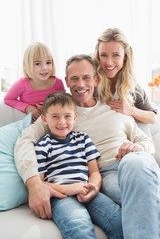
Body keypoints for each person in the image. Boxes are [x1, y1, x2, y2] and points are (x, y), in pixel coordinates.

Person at [14, 54, 160, 239]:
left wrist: (134, 148)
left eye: (86, 77)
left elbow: (147, 142)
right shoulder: (61, 113)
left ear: (96, 79)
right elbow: (24, 141)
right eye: (74, 78)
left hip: (129, 166)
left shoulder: (115, 108)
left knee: (137, 167)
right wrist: (34, 184)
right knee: (146, 201)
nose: (80, 84)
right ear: (66, 81)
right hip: (100, 174)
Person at [35, 91, 123, 239]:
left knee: (116, 218)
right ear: (44, 119)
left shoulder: (83, 139)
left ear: (75, 117)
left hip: (87, 191)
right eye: (55, 116)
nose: (62, 122)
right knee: (79, 224)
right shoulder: (42, 145)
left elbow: (94, 172)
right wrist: (67, 189)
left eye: (67, 116)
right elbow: (39, 183)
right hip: (60, 196)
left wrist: (94, 188)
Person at [93, 27, 157, 124]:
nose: (109, 63)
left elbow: (153, 118)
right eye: (104, 55)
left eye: (116, 55)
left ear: (125, 57)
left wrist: (131, 110)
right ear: (98, 56)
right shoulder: (92, 82)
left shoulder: (131, 84)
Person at [4, 42, 65, 121]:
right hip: (30, 123)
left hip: (53, 122)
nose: (44, 68)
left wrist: (51, 106)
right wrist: (28, 108)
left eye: (48, 62)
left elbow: (64, 101)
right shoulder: (22, 84)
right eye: (37, 63)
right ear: (27, 65)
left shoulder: (58, 83)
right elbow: (8, 99)